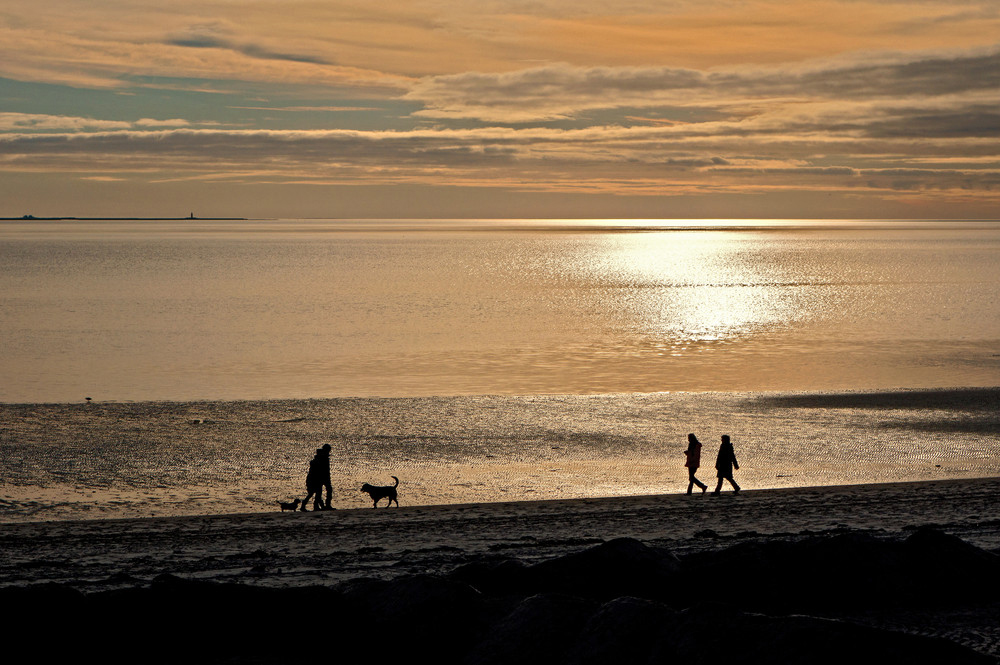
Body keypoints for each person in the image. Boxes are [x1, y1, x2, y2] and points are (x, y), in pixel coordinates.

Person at [301, 444, 333, 511]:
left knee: (319, 492)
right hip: (319, 477)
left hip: (322, 477)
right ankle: (317, 506)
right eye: (328, 450)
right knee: (316, 492)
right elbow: (321, 469)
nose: (329, 451)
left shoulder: (323, 457)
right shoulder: (321, 458)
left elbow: (326, 469)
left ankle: (324, 506)